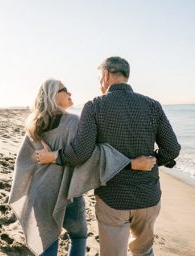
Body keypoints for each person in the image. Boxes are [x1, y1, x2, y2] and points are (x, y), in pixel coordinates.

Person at [36, 57, 181, 256]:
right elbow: (172, 149)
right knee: (144, 251)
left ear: (105, 75)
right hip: (148, 196)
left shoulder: (95, 106)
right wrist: (155, 159)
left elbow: (80, 153)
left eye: (99, 78)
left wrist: (55, 156)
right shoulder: (152, 105)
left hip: (113, 198)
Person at [8, 78, 156, 256]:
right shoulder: (73, 122)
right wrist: (131, 162)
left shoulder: (34, 125)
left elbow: (24, 161)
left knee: (47, 241)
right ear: (52, 95)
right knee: (78, 237)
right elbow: (92, 155)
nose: (70, 93)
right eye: (65, 90)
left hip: (41, 194)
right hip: (68, 193)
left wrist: (45, 162)